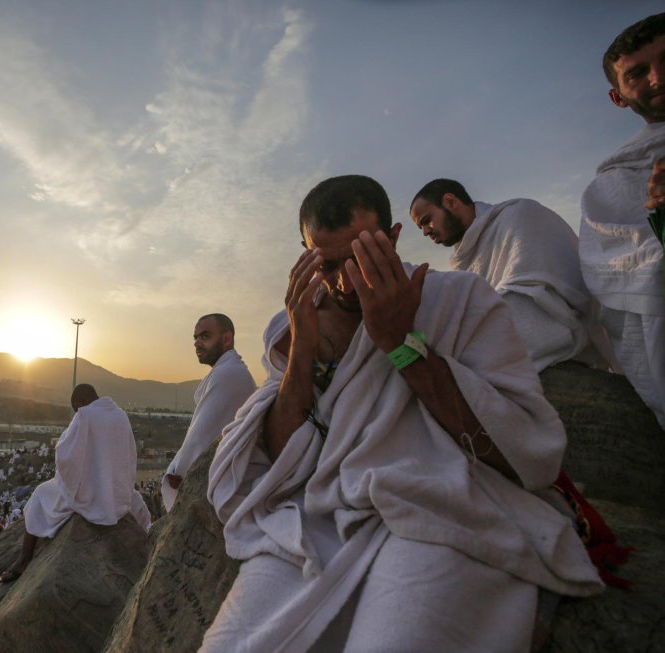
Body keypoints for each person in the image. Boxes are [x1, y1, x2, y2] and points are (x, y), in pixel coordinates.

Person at [202, 175, 602, 652]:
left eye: (360, 255)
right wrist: (302, 350)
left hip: (438, 501)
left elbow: (517, 447)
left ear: (391, 237)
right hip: (317, 514)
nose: (344, 279)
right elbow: (284, 455)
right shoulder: (291, 324)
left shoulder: (458, 300)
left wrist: (399, 341)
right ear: (306, 252)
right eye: (327, 263)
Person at [409, 179, 613, 371]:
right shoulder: (462, 258)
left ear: (451, 202)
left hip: (556, 325)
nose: (426, 232)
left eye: (427, 221)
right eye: (421, 228)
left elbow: (529, 297)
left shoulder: (520, 214)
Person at [580, 12, 665, 428]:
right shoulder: (616, 182)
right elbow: (616, 274)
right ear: (618, 97)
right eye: (637, 73)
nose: (658, 78)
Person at [0, 384, 151, 583]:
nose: (76, 413)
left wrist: (74, 480)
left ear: (80, 402)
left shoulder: (85, 414)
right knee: (136, 500)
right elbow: (130, 453)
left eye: (75, 409)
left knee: (39, 495)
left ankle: (23, 560)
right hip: (118, 493)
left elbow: (65, 457)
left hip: (91, 494)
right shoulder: (121, 415)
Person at [161, 314, 256, 512]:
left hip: (223, 488)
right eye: (195, 338)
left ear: (226, 339)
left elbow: (200, 437)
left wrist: (177, 472)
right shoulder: (230, 371)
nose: (196, 343)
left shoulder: (228, 374)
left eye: (205, 337)